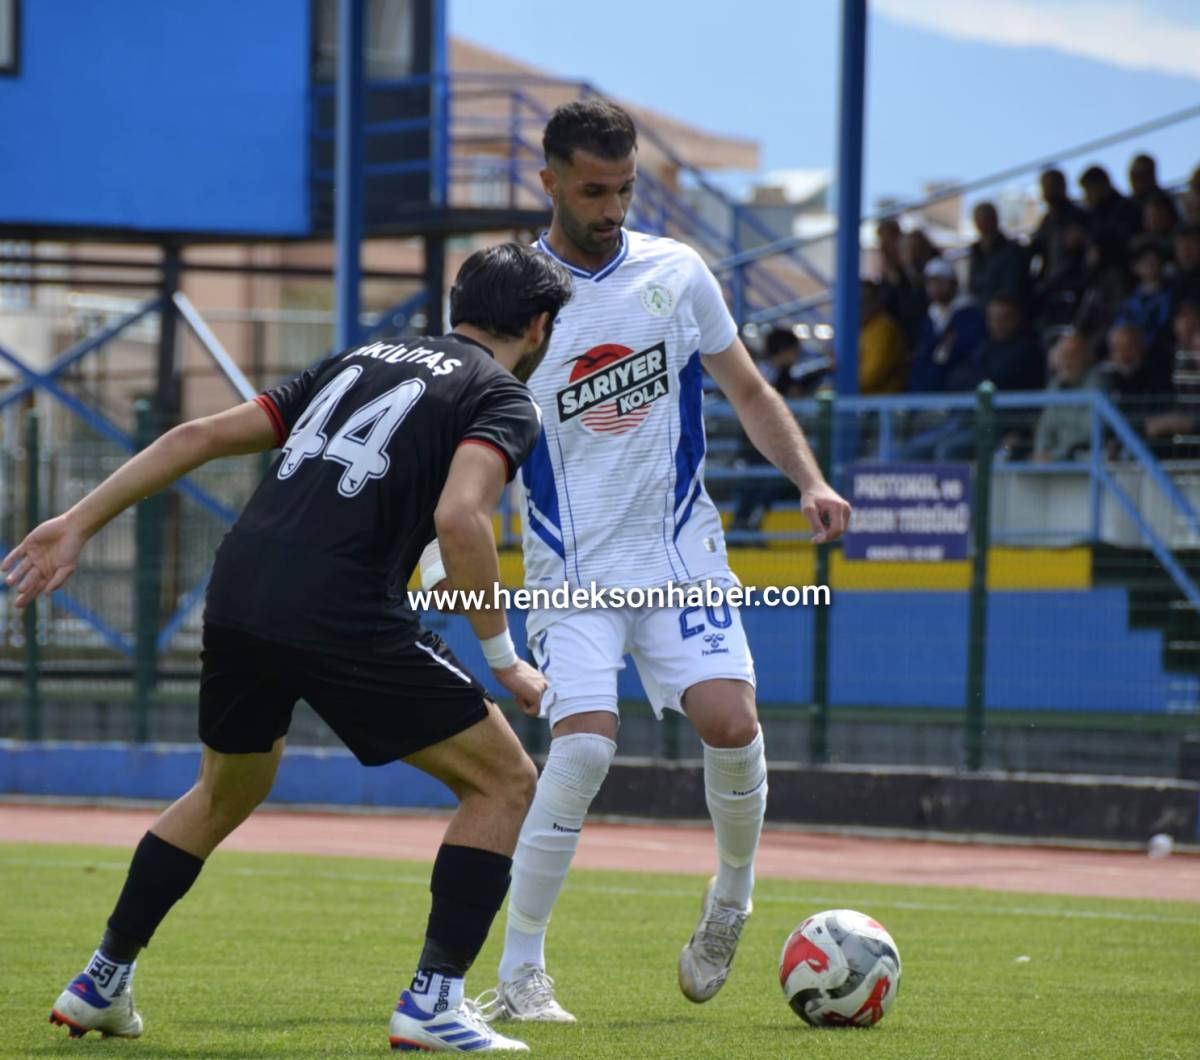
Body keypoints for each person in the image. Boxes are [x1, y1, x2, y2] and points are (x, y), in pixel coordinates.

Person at [5, 243, 575, 1053]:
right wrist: (502, 653)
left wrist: (78, 521)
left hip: (240, 587)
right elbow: (462, 516)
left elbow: (201, 433)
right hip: (339, 604)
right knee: (505, 782)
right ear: (542, 324)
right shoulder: (503, 394)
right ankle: (434, 1002)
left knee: (222, 792)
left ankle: (102, 979)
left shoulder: (360, 355)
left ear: (460, 304)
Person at [421, 99, 850, 1024]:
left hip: (678, 553)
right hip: (570, 567)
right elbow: (459, 428)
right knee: (579, 749)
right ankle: (523, 969)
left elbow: (746, 386)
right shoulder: (517, 300)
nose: (612, 207)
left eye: (623, 189)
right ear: (549, 184)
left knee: (731, 723)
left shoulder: (677, 272)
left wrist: (810, 480)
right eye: (592, 190)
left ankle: (730, 900)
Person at [909, 258, 986, 393]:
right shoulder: (929, 319)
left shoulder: (970, 314)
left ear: (953, 282)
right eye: (930, 282)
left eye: (939, 281)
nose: (934, 287)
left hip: (958, 390)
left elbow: (964, 352)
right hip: (928, 392)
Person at [1032, 332, 1107, 462]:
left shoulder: (1097, 382)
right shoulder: (1055, 385)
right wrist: (1041, 451)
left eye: (1072, 356)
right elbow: (1046, 426)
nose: (1066, 362)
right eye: (1063, 356)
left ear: (1086, 358)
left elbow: (1089, 432)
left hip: (1084, 457)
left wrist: (1055, 456)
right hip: (1056, 459)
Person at [967, 201, 1029, 310]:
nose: (983, 223)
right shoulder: (975, 252)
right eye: (979, 219)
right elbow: (972, 286)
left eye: (986, 218)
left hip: (1004, 313)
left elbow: (1012, 288)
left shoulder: (1012, 251)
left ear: (995, 219)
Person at [858, 280, 909, 393]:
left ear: (877, 301)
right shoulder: (857, 329)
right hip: (860, 400)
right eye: (856, 301)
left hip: (880, 404)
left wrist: (840, 376)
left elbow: (870, 377)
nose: (860, 306)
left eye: (865, 300)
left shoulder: (884, 328)